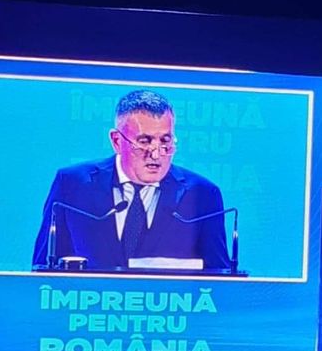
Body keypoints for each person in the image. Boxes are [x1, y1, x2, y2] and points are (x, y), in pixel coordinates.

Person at [32, 89, 229, 271]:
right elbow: (42, 270)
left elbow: (220, 278)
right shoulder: (72, 184)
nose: (156, 154)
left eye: (165, 141)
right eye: (144, 141)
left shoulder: (202, 194)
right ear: (117, 141)